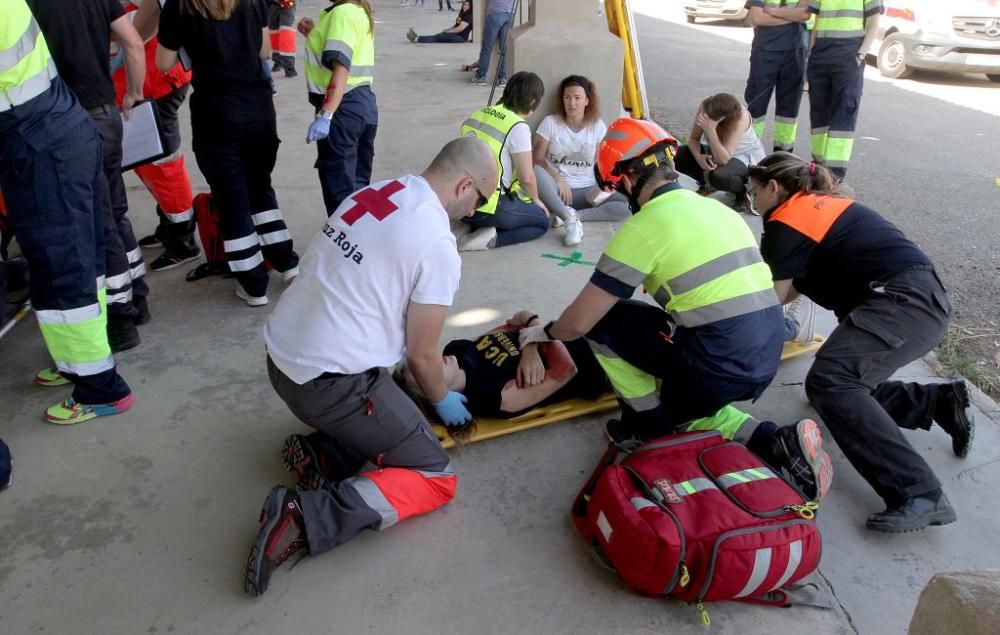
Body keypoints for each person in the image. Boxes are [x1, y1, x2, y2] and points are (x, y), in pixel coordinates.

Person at [519, 118, 832, 502]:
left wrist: (541, 333)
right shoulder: (718, 210)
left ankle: (649, 427)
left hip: (717, 364)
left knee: (609, 322)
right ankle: (773, 439)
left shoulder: (643, 228)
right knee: (685, 383)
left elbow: (578, 322)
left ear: (628, 182)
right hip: (765, 352)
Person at [242, 137, 499, 597]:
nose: (473, 211)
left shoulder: (380, 191)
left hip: (281, 357)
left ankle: (323, 455)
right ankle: (306, 517)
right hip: (327, 384)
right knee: (434, 476)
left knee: (390, 404)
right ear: (465, 185)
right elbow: (423, 355)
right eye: (479, 200)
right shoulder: (437, 243)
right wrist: (441, 398)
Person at [750, 153, 972, 532]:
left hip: (903, 303)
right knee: (830, 388)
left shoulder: (787, 219)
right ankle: (935, 403)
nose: (751, 202)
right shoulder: (814, 211)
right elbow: (786, 292)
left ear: (774, 188)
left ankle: (920, 492)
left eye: (755, 192)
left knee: (833, 381)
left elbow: (767, 302)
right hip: (915, 301)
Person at [0, 0, 135, 424]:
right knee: (69, 263)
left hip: (40, 143)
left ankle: (101, 388)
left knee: (66, 267)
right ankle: (75, 364)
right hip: (54, 131)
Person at [158, 0, 299, 306]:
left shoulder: (180, 1)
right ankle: (287, 263)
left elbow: (164, 62)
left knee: (232, 196)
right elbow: (265, 51)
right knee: (260, 186)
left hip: (215, 111)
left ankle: (253, 284)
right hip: (259, 106)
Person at [103, 0, 201, 274]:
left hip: (155, 81)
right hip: (139, 84)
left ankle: (183, 239)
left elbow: (158, 0)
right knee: (149, 160)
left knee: (163, 163)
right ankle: (170, 225)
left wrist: (127, 41)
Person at [397, 309, 609, 430]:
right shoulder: (491, 396)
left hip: (583, 330)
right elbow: (565, 369)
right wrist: (533, 331)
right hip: (603, 362)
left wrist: (531, 344)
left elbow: (519, 318)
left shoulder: (458, 350)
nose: (430, 359)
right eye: (424, 371)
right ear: (434, 393)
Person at [301, 0, 379, 216]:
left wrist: (326, 115)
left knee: (341, 197)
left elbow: (341, 68)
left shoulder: (342, 14)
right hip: (362, 106)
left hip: (342, 109)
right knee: (357, 192)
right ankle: (362, 246)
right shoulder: (356, 10)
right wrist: (314, 35)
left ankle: (347, 249)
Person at [533, 75, 629, 247]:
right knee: (535, 172)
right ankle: (567, 217)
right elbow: (537, 159)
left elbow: (603, 162)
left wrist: (605, 187)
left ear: (587, 100)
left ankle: (574, 216)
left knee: (624, 204)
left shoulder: (597, 126)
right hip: (557, 192)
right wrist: (557, 177)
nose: (572, 103)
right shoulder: (550, 123)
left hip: (588, 192)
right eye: (567, 97)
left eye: (577, 98)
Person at [458, 71, 550, 251]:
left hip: (460, 204)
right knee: (541, 221)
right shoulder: (517, 126)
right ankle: (491, 239)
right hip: (487, 206)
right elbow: (527, 178)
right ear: (533, 102)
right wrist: (536, 200)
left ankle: (466, 226)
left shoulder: (479, 113)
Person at [806, 0, 882, 180]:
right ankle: (818, 165)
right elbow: (817, 23)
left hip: (849, 56)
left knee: (844, 111)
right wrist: (810, 53)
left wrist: (861, 54)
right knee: (819, 111)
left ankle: (835, 173)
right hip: (821, 54)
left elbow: (874, 24)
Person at [744, 0, 817, 153]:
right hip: (765, 52)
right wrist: (792, 14)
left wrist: (773, 11)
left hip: (795, 53)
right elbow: (756, 17)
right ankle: (751, 154)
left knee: (788, 112)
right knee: (756, 106)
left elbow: (806, 15)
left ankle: (783, 159)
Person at [673, 93, 765, 203]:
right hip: (717, 151)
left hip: (743, 156)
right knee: (677, 154)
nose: (707, 118)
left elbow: (724, 159)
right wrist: (699, 157)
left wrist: (711, 131)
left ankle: (744, 195)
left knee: (719, 176)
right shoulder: (706, 107)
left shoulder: (740, 118)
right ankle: (707, 184)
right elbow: (693, 139)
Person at [468, 0, 518, 85]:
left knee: (487, 47)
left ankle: (481, 77)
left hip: (495, 11)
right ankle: (503, 78)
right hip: (510, 12)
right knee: (504, 48)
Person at [253, 0, 304, 78]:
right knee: (274, 33)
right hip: (270, 2)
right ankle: (278, 61)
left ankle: (289, 66)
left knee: (286, 32)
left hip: (288, 1)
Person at [406, 0, 472, 42]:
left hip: (460, 38)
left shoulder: (468, 16)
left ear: (470, 7)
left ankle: (417, 39)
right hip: (456, 35)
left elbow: (459, 29)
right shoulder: (463, 14)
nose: (465, 6)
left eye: (467, 5)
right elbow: (456, 24)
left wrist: (448, 32)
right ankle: (418, 37)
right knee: (439, 35)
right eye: (464, 4)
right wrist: (448, 29)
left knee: (438, 37)